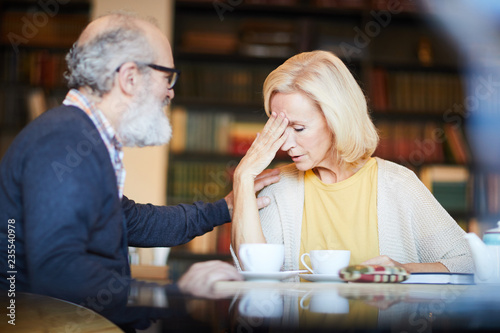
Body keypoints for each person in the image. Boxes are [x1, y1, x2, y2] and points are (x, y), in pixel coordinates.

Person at [0, 13, 280, 303]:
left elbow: (134, 222)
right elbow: (58, 273)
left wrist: (224, 208)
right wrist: (173, 293)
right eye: (167, 77)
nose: (170, 92)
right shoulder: (64, 142)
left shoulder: (81, 136)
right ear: (130, 78)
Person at [230, 50, 473, 276]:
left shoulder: (398, 184)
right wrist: (242, 177)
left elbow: (468, 261)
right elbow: (251, 276)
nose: (285, 144)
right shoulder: (279, 187)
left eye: (299, 128)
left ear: (337, 119)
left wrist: (403, 270)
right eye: (280, 129)